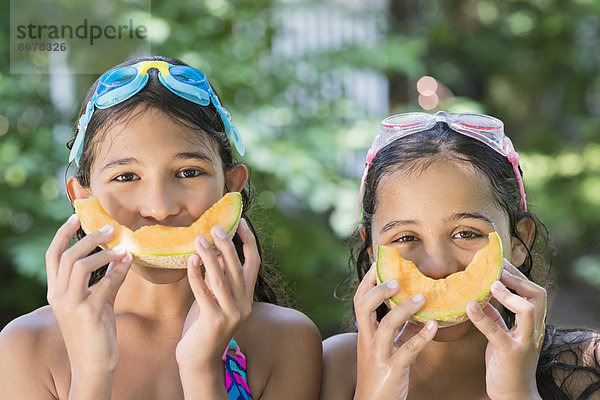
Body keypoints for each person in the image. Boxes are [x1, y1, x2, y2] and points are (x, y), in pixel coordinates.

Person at [0, 56, 322, 399]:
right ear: (81, 199)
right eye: (126, 176)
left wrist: (201, 368)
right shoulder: (26, 346)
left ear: (232, 187)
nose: (160, 208)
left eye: (188, 172)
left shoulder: (286, 340)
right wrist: (91, 370)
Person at [320, 111, 600, 400]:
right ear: (372, 252)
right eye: (405, 238)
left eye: (467, 233)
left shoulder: (587, 367)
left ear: (518, 241)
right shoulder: (335, 368)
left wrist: (519, 393)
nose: (438, 266)